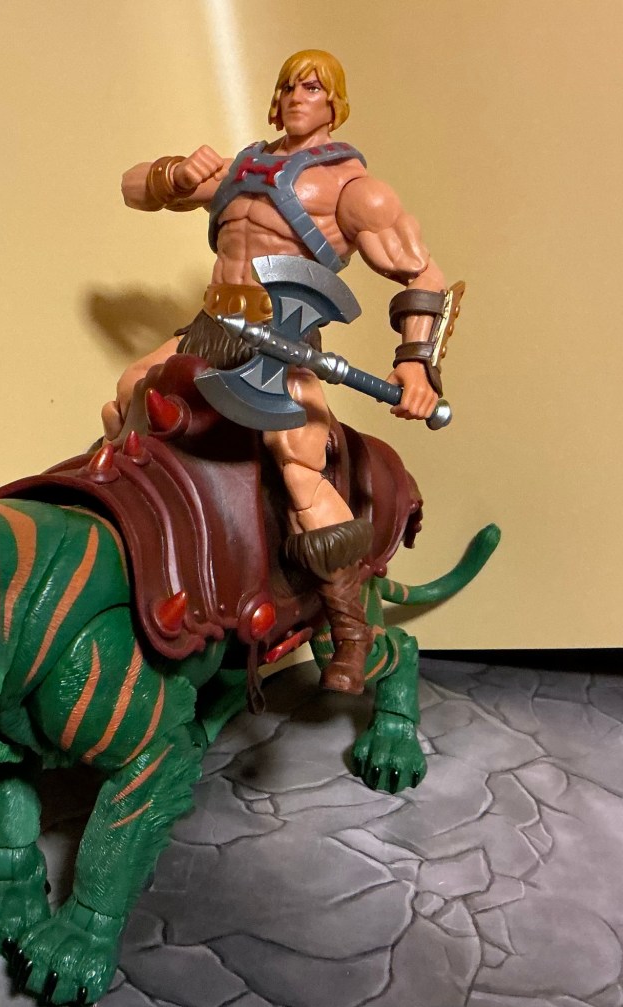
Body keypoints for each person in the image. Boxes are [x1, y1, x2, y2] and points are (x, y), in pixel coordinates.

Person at [105, 49, 453, 695]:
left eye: (313, 87)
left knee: (297, 463)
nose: (298, 96)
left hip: (283, 342)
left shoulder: (354, 191)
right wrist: (175, 174)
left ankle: (349, 629)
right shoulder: (242, 169)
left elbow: (422, 275)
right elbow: (130, 188)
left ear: (334, 103)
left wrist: (416, 366)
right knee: (128, 392)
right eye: (290, 86)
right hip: (212, 325)